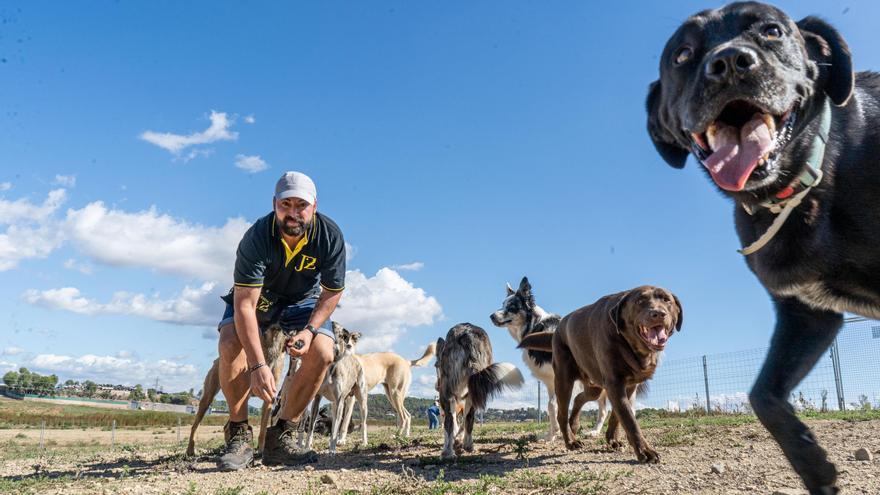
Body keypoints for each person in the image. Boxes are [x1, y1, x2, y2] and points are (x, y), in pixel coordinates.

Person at [216, 171, 346, 470]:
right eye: (286, 204)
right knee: (230, 341)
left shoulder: (330, 236)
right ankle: (239, 435)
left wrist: (311, 330)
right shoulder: (257, 236)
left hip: (304, 300)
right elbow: (245, 305)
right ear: (274, 204)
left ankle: (283, 435)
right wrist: (258, 365)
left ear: (314, 206)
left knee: (325, 352)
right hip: (262, 297)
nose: (293, 212)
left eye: (301, 205)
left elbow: (332, 292)